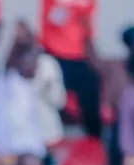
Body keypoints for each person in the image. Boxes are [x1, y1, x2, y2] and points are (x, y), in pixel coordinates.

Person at [39, 0, 99, 138]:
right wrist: (73, 12)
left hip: (81, 56)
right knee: (54, 102)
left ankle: (95, 143)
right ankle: (52, 145)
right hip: (55, 54)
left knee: (90, 101)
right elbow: (54, 19)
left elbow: (88, 27)